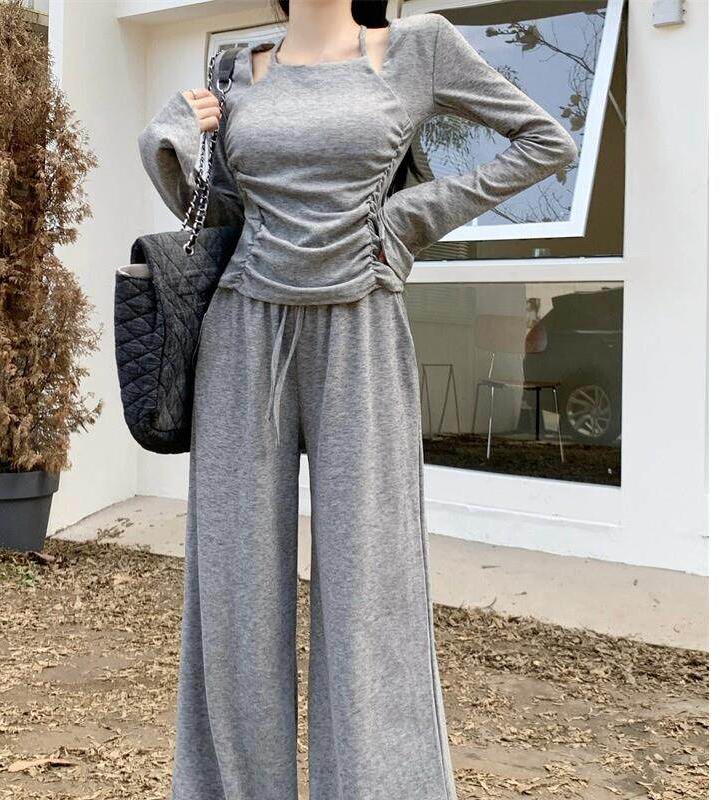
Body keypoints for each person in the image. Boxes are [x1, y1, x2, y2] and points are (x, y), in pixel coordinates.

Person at [138, 2, 578, 798]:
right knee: (233, 594)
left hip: (362, 327)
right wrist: (170, 138)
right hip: (244, 332)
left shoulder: (417, 47)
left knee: (371, 592)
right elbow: (221, 213)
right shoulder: (236, 68)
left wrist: (409, 218)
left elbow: (547, 141)